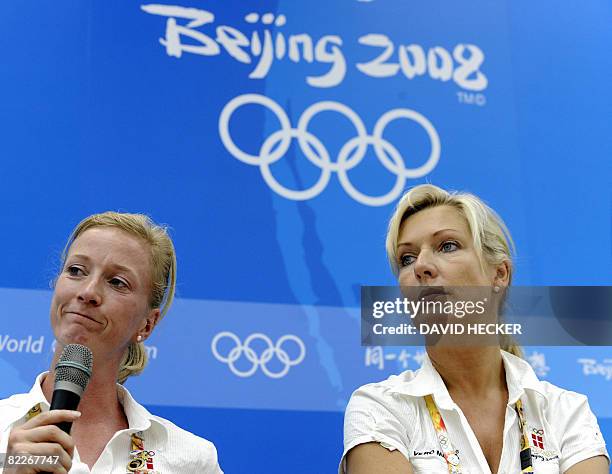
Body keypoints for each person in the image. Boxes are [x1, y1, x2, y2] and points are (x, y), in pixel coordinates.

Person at [341, 184, 609, 474]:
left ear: (499, 274)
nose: (421, 266)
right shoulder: (378, 407)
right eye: (407, 258)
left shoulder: (566, 412)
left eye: (447, 246)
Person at [0, 212, 223, 473]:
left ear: (147, 324)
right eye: (76, 271)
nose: (88, 292)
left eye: (117, 282)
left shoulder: (191, 458)